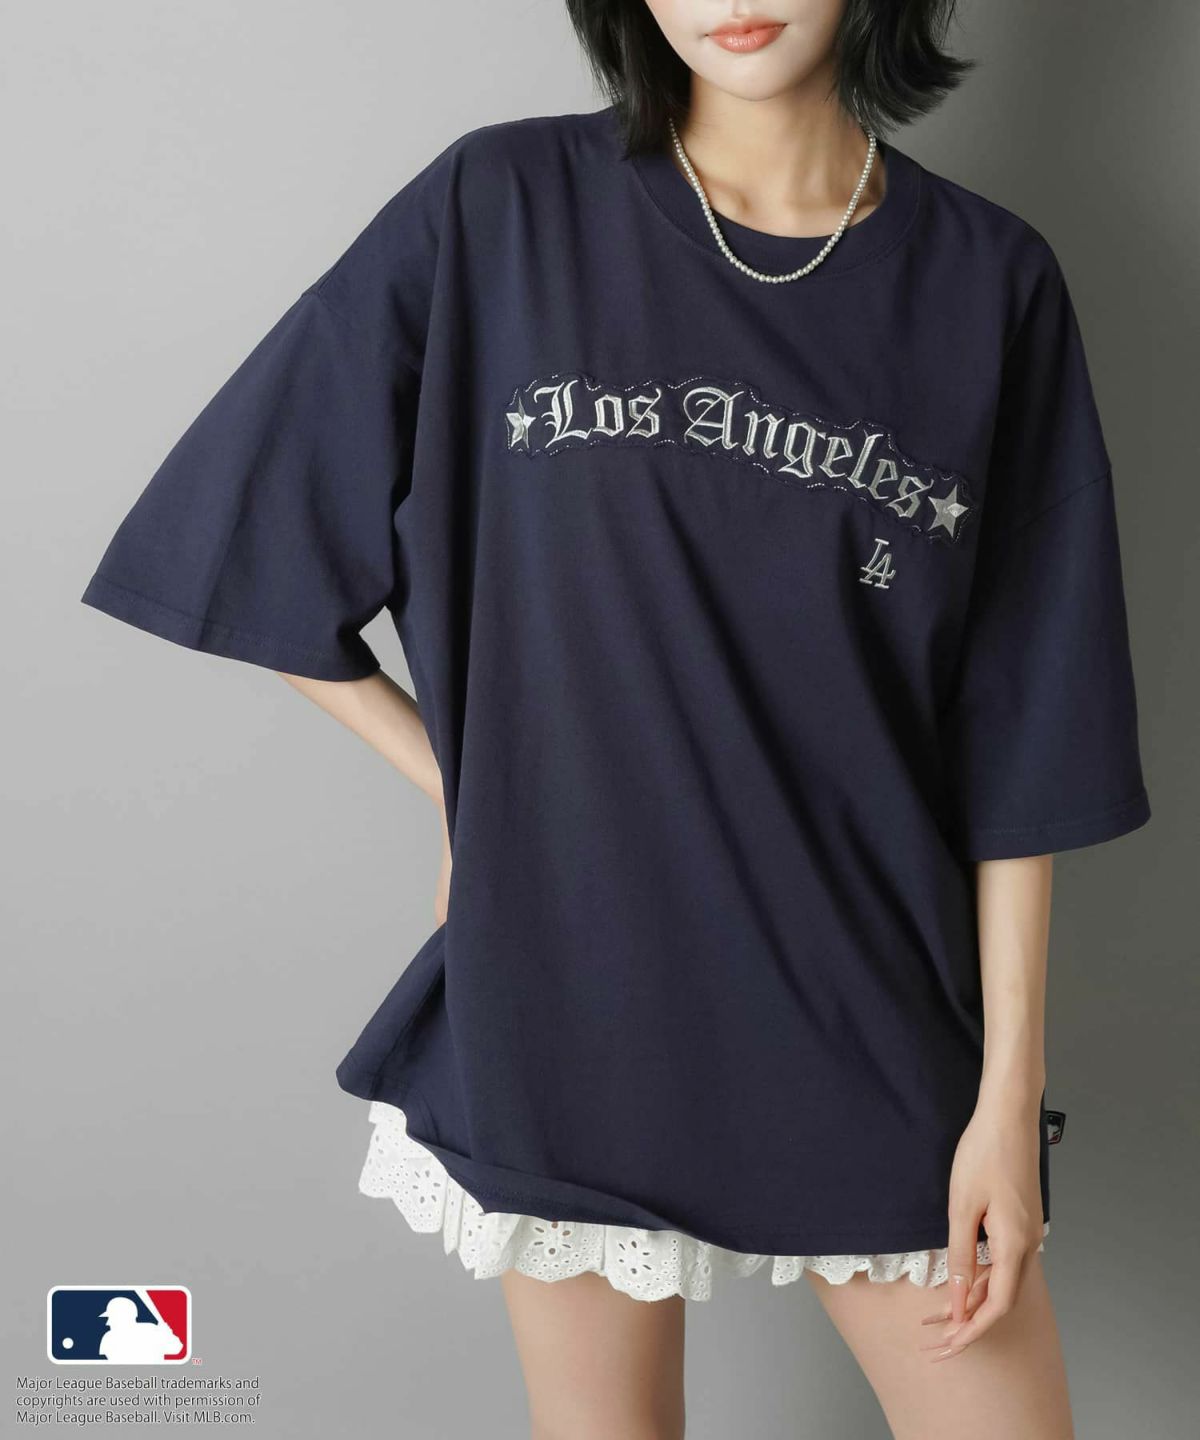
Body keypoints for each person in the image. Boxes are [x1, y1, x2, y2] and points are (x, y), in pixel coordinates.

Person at [79, 1, 1152, 1435]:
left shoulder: (989, 281)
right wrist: (472, 797)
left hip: (866, 993)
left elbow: (1031, 737)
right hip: (571, 985)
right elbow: (248, 539)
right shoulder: (503, 209)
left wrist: (1007, 1096)